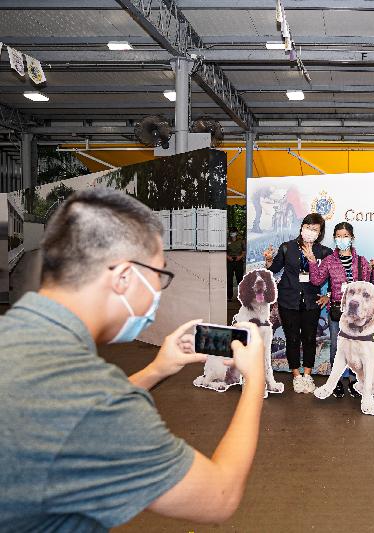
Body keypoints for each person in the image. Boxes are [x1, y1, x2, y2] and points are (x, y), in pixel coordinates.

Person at [0, 189, 266, 531]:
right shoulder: (96, 400)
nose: (158, 289)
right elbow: (219, 496)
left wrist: (157, 369)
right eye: (159, 274)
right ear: (124, 277)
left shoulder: (21, 338)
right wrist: (254, 380)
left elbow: (64, 416)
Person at [264, 213, 332, 393]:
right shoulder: (287, 247)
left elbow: (334, 276)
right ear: (302, 227)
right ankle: (296, 375)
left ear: (320, 232)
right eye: (308, 227)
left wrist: (328, 295)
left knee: (309, 338)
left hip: (312, 301)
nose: (310, 231)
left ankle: (308, 375)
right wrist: (269, 260)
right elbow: (275, 269)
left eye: (315, 229)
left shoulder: (324, 252)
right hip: (288, 301)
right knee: (292, 338)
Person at [309, 221, 374, 398]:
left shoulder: (361, 261)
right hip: (337, 312)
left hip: (358, 314)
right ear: (334, 239)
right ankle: (338, 380)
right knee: (338, 348)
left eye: (345, 236)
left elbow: (368, 285)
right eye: (338, 236)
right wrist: (311, 262)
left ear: (352, 238)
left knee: (358, 347)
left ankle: (356, 381)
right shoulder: (329, 261)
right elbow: (317, 280)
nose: (342, 239)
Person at [226, 229, 245, 301]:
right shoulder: (227, 241)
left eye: (233, 232)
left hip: (238, 261)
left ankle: (241, 297)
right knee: (229, 279)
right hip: (229, 261)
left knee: (240, 279)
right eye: (231, 232)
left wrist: (240, 257)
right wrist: (228, 257)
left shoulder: (241, 241)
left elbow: (244, 251)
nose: (232, 233)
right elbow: (224, 251)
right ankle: (229, 297)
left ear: (236, 233)